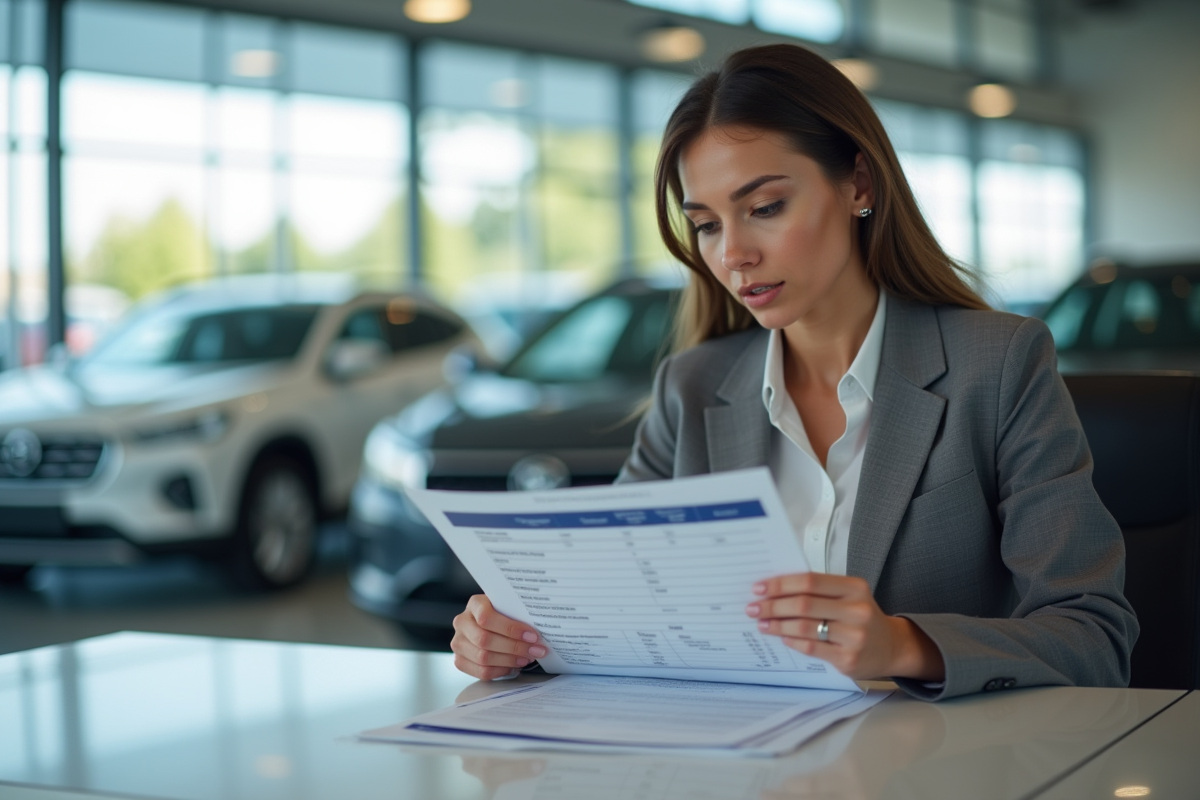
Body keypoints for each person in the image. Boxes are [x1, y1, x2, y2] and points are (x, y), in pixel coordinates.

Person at [450, 43, 1138, 701]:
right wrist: (520, 642)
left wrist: (901, 645)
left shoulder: (998, 363)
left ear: (859, 184)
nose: (734, 254)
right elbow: (610, 618)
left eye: (765, 207)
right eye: (707, 224)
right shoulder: (690, 389)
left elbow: (1093, 637)